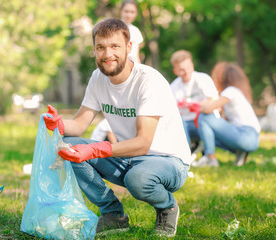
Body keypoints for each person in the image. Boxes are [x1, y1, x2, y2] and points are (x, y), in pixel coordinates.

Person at [43, 18, 191, 238]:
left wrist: (96, 150)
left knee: (138, 180)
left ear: (129, 47)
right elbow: (80, 125)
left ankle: (167, 207)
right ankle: (113, 215)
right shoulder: (98, 78)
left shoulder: (148, 81)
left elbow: (143, 143)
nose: (107, 54)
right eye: (101, 47)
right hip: (127, 158)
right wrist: (59, 124)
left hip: (168, 161)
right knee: (68, 149)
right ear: (94, 50)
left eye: (115, 46)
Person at [194, 62, 261, 167]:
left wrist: (195, 105)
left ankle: (210, 159)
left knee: (204, 117)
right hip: (251, 138)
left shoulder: (230, 91)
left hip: (246, 135)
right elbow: (221, 120)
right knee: (209, 133)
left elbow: (208, 109)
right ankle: (240, 152)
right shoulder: (237, 93)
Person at [170, 50, 219, 152]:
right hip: (185, 124)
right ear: (175, 71)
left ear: (192, 65)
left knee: (203, 117)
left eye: (188, 68)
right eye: (182, 70)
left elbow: (213, 102)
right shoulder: (173, 87)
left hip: (204, 122)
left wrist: (192, 105)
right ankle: (186, 154)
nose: (186, 72)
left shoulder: (202, 79)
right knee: (176, 120)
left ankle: (209, 155)